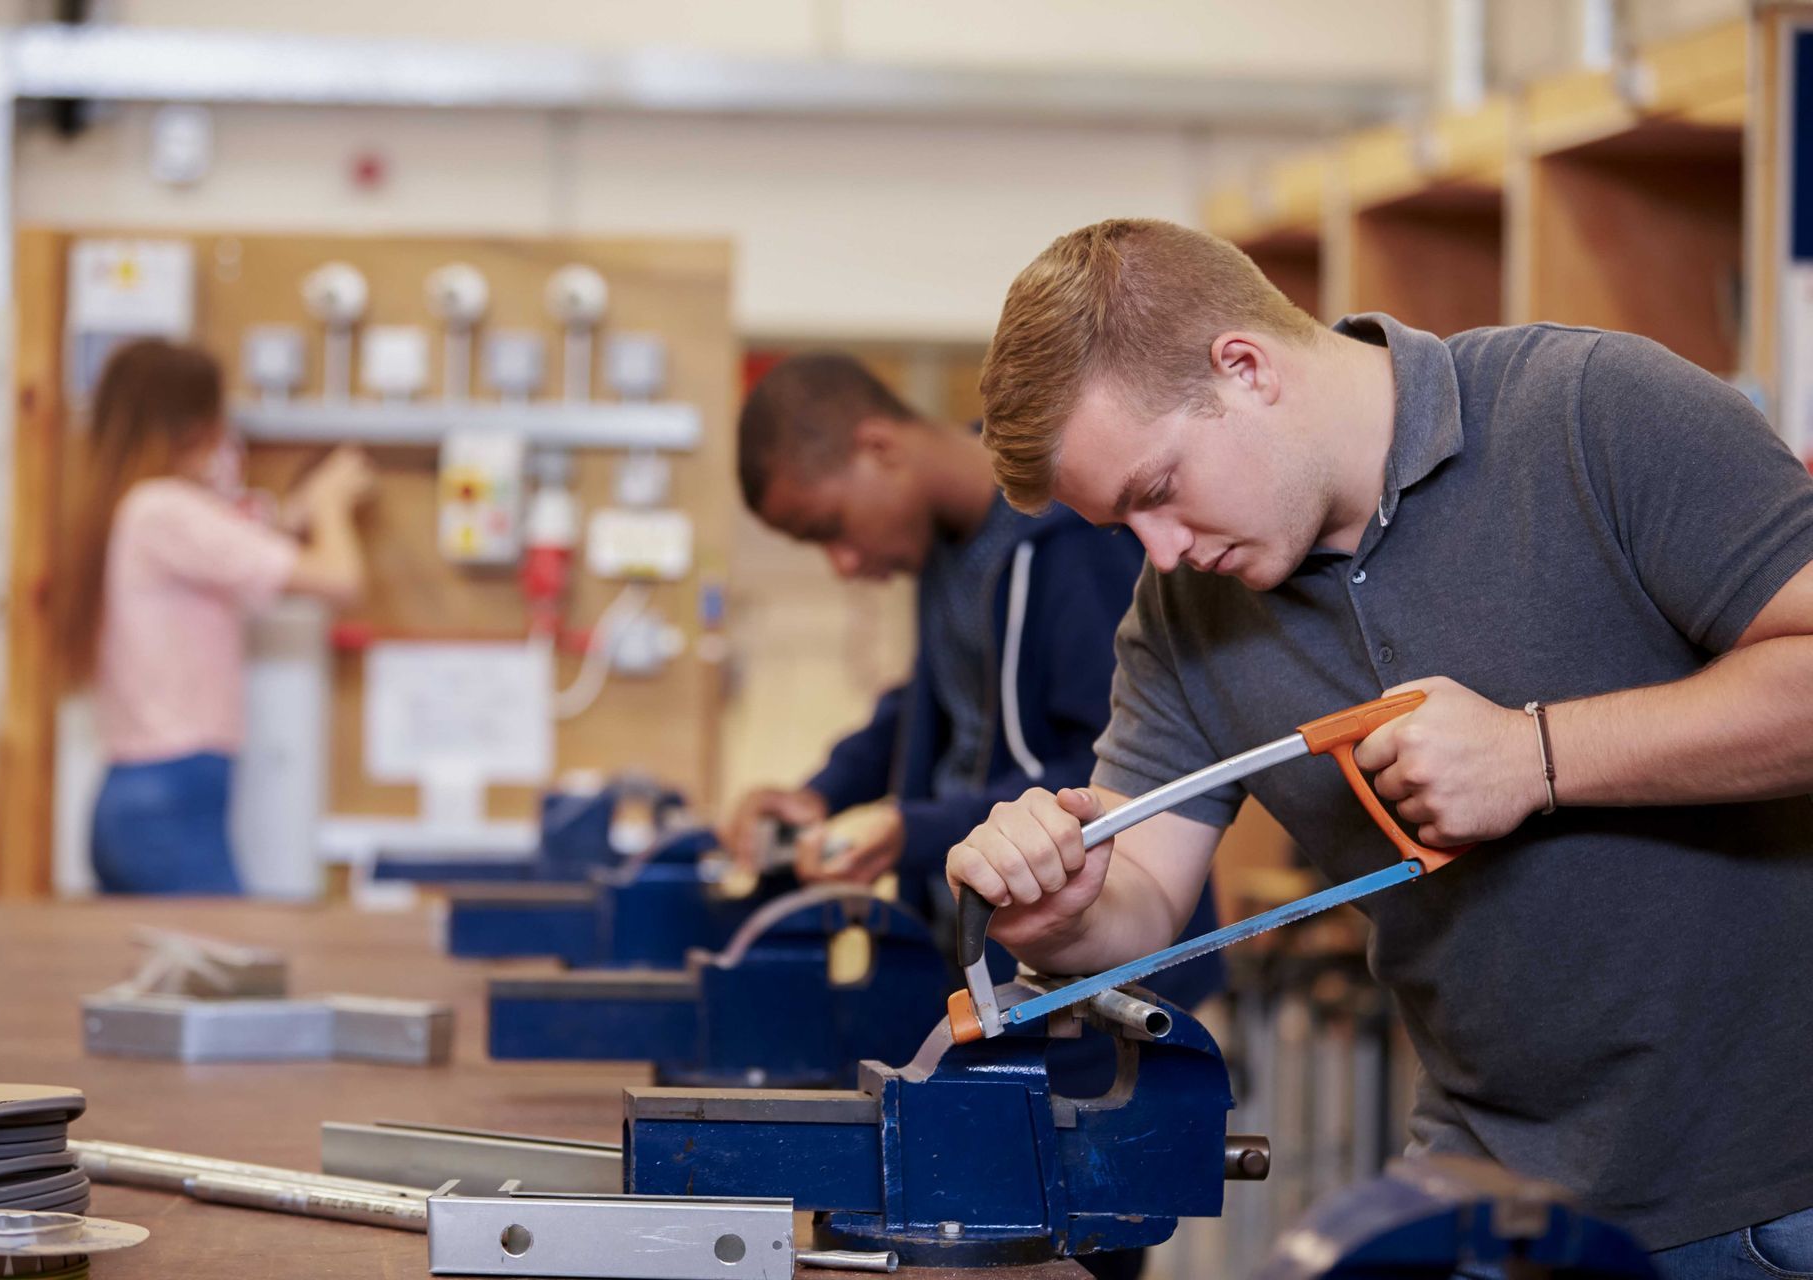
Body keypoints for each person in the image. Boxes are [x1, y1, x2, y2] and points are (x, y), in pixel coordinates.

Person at [944, 217, 1813, 1278]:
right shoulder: (1184, 616)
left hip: (1782, 1194)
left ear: (1245, 367)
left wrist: (1537, 755)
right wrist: (1064, 909)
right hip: (1490, 1194)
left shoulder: (1593, 409)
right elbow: (1140, 898)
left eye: (1157, 491)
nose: (1163, 552)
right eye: (1124, 528)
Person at [723, 351, 1223, 1007]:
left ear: (878, 448)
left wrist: (915, 830)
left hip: (1098, 989)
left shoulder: (1072, 542)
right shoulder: (952, 546)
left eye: (831, 529)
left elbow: (1111, 775)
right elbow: (932, 706)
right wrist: (824, 795)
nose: (842, 564)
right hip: (988, 962)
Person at [58, 338, 373, 894]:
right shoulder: (165, 509)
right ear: (196, 425)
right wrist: (333, 503)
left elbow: (255, 543)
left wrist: (302, 510)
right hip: (172, 800)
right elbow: (339, 579)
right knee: (235, 974)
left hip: (142, 795)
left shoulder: (135, 510)